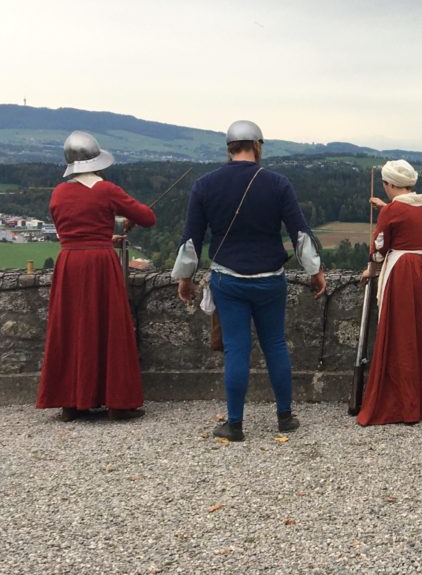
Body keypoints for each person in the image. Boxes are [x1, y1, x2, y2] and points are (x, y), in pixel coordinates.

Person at [172, 120, 326, 442]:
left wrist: (184, 279)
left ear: (229, 149)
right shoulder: (278, 183)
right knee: (275, 346)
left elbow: (191, 240)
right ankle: (285, 416)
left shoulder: (205, 185)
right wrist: (315, 272)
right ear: (258, 146)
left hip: (229, 280)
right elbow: (300, 234)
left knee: (236, 349)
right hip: (271, 280)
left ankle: (235, 423)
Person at [36, 131, 156, 421]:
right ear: (96, 161)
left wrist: (105, 236)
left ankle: (70, 402)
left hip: (68, 264)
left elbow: (76, 232)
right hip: (100, 265)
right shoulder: (106, 189)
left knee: (70, 327)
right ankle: (117, 402)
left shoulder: (59, 192)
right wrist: (120, 225)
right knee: (110, 326)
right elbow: (147, 218)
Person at [356, 159, 422, 425]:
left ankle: (402, 401)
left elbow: (380, 248)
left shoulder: (392, 210)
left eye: (385, 185)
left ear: (390, 184)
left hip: (403, 272)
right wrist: (386, 209)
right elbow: (409, 221)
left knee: (401, 335)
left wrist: (371, 269)